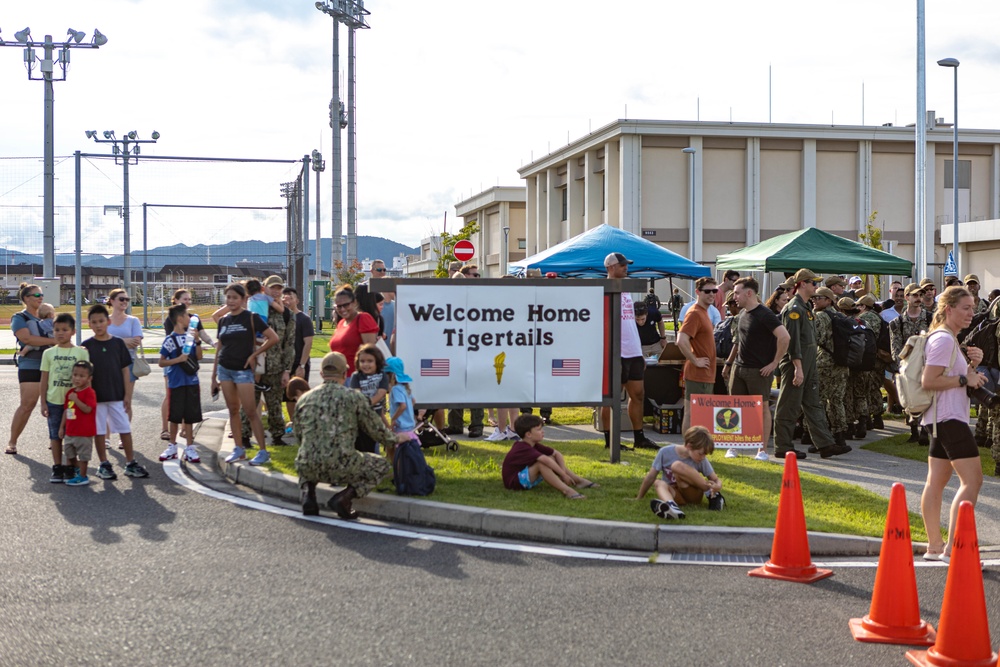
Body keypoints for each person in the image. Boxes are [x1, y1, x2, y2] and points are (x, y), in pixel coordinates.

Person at [918, 286, 987, 562]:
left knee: (936, 481)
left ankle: (935, 547)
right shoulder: (944, 339)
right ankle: (956, 549)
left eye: (973, 307)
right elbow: (929, 381)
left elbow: (950, 379)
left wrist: (971, 368)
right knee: (973, 480)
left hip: (940, 418)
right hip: (948, 419)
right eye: (966, 308)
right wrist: (964, 379)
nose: (972, 313)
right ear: (949, 309)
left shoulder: (946, 338)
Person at [295, 352, 410, 518]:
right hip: (341, 465)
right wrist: (398, 438)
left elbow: (300, 437)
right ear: (344, 374)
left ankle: (308, 494)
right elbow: (377, 432)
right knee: (381, 465)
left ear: (321, 374)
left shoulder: (304, 399)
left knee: (306, 456)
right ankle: (344, 498)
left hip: (308, 465)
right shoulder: (354, 398)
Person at [773, 269, 851, 459]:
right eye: (813, 283)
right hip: (795, 364)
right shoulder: (794, 309)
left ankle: (825, 444)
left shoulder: (806, 307)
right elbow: (793, 342)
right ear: (803, 284)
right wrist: (798, 368)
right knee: (789, 405)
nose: (816, 287)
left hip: (808, 362)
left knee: (813, 404)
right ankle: (782, 446)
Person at [211, 283, 280, 466]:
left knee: (250, 411)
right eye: (229, 297)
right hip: (225, 370)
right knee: (233, 411)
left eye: (235, 298)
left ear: (244, 299)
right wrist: (213, 377)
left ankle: (263, 452)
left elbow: (273, 338)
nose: (231, 301)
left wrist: (254, 355)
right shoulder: (224, 320)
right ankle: (239, 449)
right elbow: (220, 347)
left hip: (243, 371)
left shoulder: (251, 317)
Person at [722, 277, 790, 460]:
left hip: (759, 371)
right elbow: (738, 342)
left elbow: (785, 337)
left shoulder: (765, 314)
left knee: (762, 409)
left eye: (737, 292)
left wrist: (774, 363)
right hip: (739, 368)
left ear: (749, 293)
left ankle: (762, 450)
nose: (734, 296)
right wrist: (729, 364)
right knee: (734, 409)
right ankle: (733, 447)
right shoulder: (743, 314)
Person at [82, 304, 149, 480]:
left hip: (116, 396)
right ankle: (104, 464)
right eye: (94, 322)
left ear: (108, 322)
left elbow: (125, 370)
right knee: (100, 431)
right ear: (89, 324)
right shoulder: (86, 347)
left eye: (101, 321)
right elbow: (83, 375)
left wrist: (127, 395)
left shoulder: (118, 343)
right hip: (96, 398)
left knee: (124, 429)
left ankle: (130, 462)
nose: (98, 325)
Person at [600, 252, 658, 451]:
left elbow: (630, 323)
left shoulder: (627, 289)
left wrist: (639, 351)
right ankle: (610, 441)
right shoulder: (603, 290)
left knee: (638, 394)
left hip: (632, 351)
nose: (626, 267)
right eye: (622, 265)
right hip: (614, 352)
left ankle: (639, 438)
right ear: (610, 267)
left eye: (626, 264)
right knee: (609, 397)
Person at [241, 275, 295, 447]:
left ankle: (277, 436)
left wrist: (287, 370)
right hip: (253, 365)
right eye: (273, 288)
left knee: (275, 405)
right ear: (264, 288)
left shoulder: (287, 315)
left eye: (279, 288)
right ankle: (244, 436)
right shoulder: (252, 309)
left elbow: (289, 344)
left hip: (275, 367)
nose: (276, 291)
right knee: (249, 403)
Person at [40, 313, 90, 482]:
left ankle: (71, 466)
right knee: (55, 435)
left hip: (73, 404)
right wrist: (43, 403)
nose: (60, 333)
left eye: (64, 330)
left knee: (71, 435)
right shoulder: (48, 353)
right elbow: (44, 378)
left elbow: (88, 378)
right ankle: (57, 467)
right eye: (57, 330)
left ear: (73, 331)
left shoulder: (81, 353)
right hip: (54, 401)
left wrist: (84, 400)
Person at [636, 426, 723, 520]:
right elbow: (651, 476)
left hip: (692, 495)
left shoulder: (701, 460)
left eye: (705, 454)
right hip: (675, 494)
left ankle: (712, 496)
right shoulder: (665, 452)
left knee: (676, 466)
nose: (702, 457)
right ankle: (671, 506)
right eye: (700, 453)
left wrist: (718, 486)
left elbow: (715, 479)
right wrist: (639, 497)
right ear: (689, 446)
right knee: (658, 482)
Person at [501, 414, 596, 499]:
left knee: (551, 458)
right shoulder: (522, 447)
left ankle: (578, 481)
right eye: (539, 430)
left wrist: (563, 473)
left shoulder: (534, 444)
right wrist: (563, 475)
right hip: (514, 482)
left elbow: (556, 454)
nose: (542, 432)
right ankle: (567, 491)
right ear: (528, 434)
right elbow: (545, 460)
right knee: (542, 463)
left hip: (524, 477)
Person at [160, 289, 213, 441]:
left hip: (189, 369)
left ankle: (185, 431)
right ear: (176, 300)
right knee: (171, 398)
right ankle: (166, 430)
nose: (188, 302)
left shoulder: (193, 319)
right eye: (185, 299)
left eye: (190, 299)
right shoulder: (173, 319)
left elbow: (200, 335)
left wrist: (206, 343)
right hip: (175, 367)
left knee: (188, 404)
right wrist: (184, 353)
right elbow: (173, 344)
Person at [6, 283, 53, 455]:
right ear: (26, 298)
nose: (41, 298)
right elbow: (28, 339)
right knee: (27, 404)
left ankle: (55, 439)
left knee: (55, 404)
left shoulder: (48, 316)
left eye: (41, 295)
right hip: (32, 364)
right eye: (36, 295)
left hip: (53, 364)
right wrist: (55, 341)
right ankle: (12, 442)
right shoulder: (20, 317)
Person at [157, 305, 204, 464]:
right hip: (176, 383)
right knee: (175, 416)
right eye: (186, 315)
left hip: (191, 381)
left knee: (190, 416)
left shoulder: (190, 337)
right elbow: (162, 362)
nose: (189, 318)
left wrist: (197, 341)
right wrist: (178, 359)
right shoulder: (170, 340)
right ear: (179, 319)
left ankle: (190, 447)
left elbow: (199, 356)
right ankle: (172, 446)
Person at [890, 283, 933, 444]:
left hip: (927, 365)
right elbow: (895, 347)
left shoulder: (930, 318)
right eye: (914, 295)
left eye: (920, 295)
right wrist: (903, 365)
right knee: (909, 399)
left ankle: (924, 430)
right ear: (907, 297)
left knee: (928, 397)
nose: (918, 299)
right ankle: (913, 429)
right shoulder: (897, 322)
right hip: (908, 366)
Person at [676, 276, 719, 433]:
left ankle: (693, 449)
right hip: (698, 373)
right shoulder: (694, 313)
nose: (711, 294)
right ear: (697, 292)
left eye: (714, 290)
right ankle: (689, 449)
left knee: (700, 414)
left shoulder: (705, 312)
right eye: (707, 291)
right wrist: (695, 360)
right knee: (693, 413)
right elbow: (681, 340)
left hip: (706, 373)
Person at [810, 288, 850, 450]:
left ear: (828, 300)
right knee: (837, 400)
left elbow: (816, 338)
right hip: (841, 363)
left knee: (818, 401)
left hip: (824, 363)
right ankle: (840, 435)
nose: (814, 300)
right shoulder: (840, 316)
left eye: (818, 298)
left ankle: (821, 438)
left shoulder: (821, 316)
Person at [58, 361, 97, 487]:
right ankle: (76, 469)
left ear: (89, 378)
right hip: (70, 430)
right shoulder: (70, 392)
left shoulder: (89, 392)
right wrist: (62, 427)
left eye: (81, 376)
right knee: (69, 453)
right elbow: (67, 411)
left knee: (83, 455)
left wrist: (76, 400)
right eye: (75, 375)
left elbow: (88, 409)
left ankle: (83, 476)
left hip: (84, 431)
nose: (77, 378)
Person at [329, 284, 378, 377]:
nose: (342, 309)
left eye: (346, 305)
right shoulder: (341, 323)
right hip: (338, 377)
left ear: (354, 302)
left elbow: (370, 352)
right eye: (339, 306)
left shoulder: (363, 318)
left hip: (356, 378)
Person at [349, 344, 390, 454]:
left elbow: (381, 392)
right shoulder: (356, 376)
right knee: (361, 445)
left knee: (376, 442)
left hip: (375, 416)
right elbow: (357, 393)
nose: (366, 364)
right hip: (360, 417)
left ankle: (377, 463)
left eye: (370, 361)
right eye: (362, 361)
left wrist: (369, 403)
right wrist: (364, 405)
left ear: (377, 361)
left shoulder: (382, 375)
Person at [106, 288, 143, 385]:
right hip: (109, 363)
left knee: (126, 399)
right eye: (122, 299)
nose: (125, 302)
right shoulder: (105, 320)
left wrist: (112, 342)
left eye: (127, 299)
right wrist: (124, 341)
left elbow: (135, 342)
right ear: (112, 301)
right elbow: (103, 343)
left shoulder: (133, 320)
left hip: (129, 362)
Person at [283, 287, 315, 383]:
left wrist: (302, 366)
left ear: (297, 301)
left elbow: (308, 343)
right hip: (282, 365)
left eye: (291, 298)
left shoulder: (304, 319)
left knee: (298, 395)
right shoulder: (279, 318)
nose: (287, 301)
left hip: (297, 364)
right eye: (284, 298)